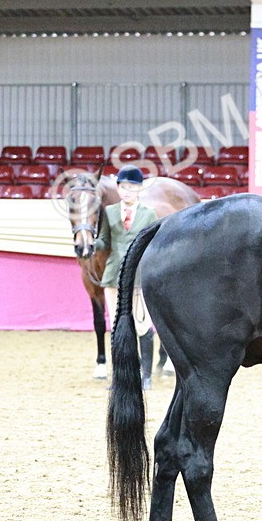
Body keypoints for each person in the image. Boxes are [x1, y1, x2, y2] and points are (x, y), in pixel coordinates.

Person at [94, 165, 159, 391]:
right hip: (113, 276)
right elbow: (104, 240)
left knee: (142, 325)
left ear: (139, 189)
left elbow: (153, 245)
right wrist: (92, 243)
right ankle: (120, 377)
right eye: (123, 187)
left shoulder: (149, 214)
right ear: (118, 188)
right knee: (118, 327)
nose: (127, 191)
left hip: (139, 276)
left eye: (132, 187)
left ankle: (146, 375)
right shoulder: (109, 212)